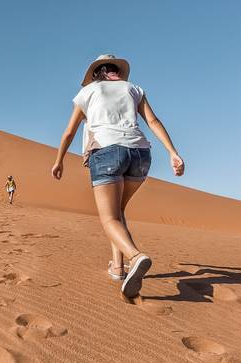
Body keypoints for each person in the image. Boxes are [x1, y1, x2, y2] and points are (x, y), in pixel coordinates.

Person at [50, 54, 184, 298]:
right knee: (118, 214)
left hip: (107, 152)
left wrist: (59, 160)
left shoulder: (88, 92)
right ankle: (118, 267)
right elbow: (153, 121)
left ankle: (135, 257)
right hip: (141, 155)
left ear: (95, 74)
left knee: (108, 219)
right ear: (117, 71)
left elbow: (69, 132)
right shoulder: (133, 89)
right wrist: (173, 153)